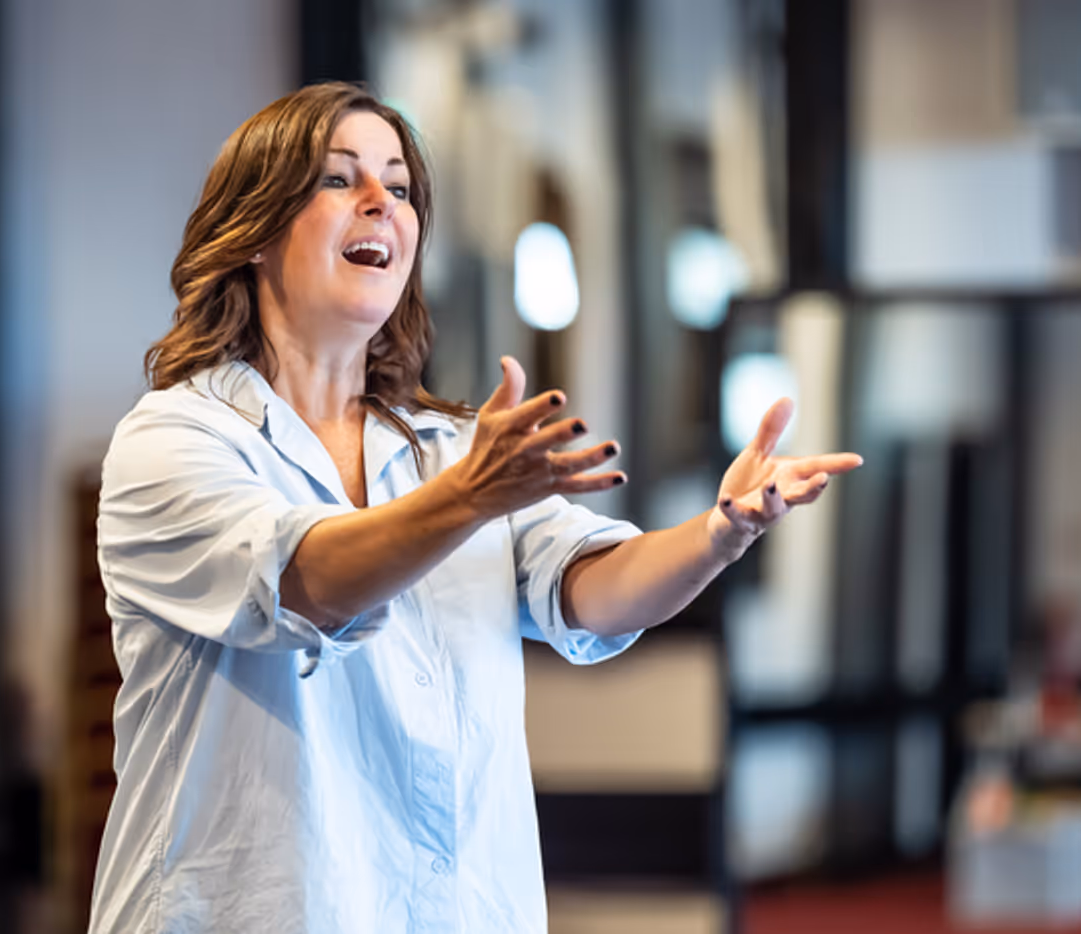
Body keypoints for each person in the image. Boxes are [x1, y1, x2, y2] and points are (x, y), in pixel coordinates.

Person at [88, 82, 862, 934]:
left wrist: (721, 533)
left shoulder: (451, 451)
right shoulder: (171, 442)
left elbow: (592, 588)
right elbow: (305, 580)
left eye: (402, 186)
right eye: (340, 179)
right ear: (255, 230)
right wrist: (466, 500)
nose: (383, 201)